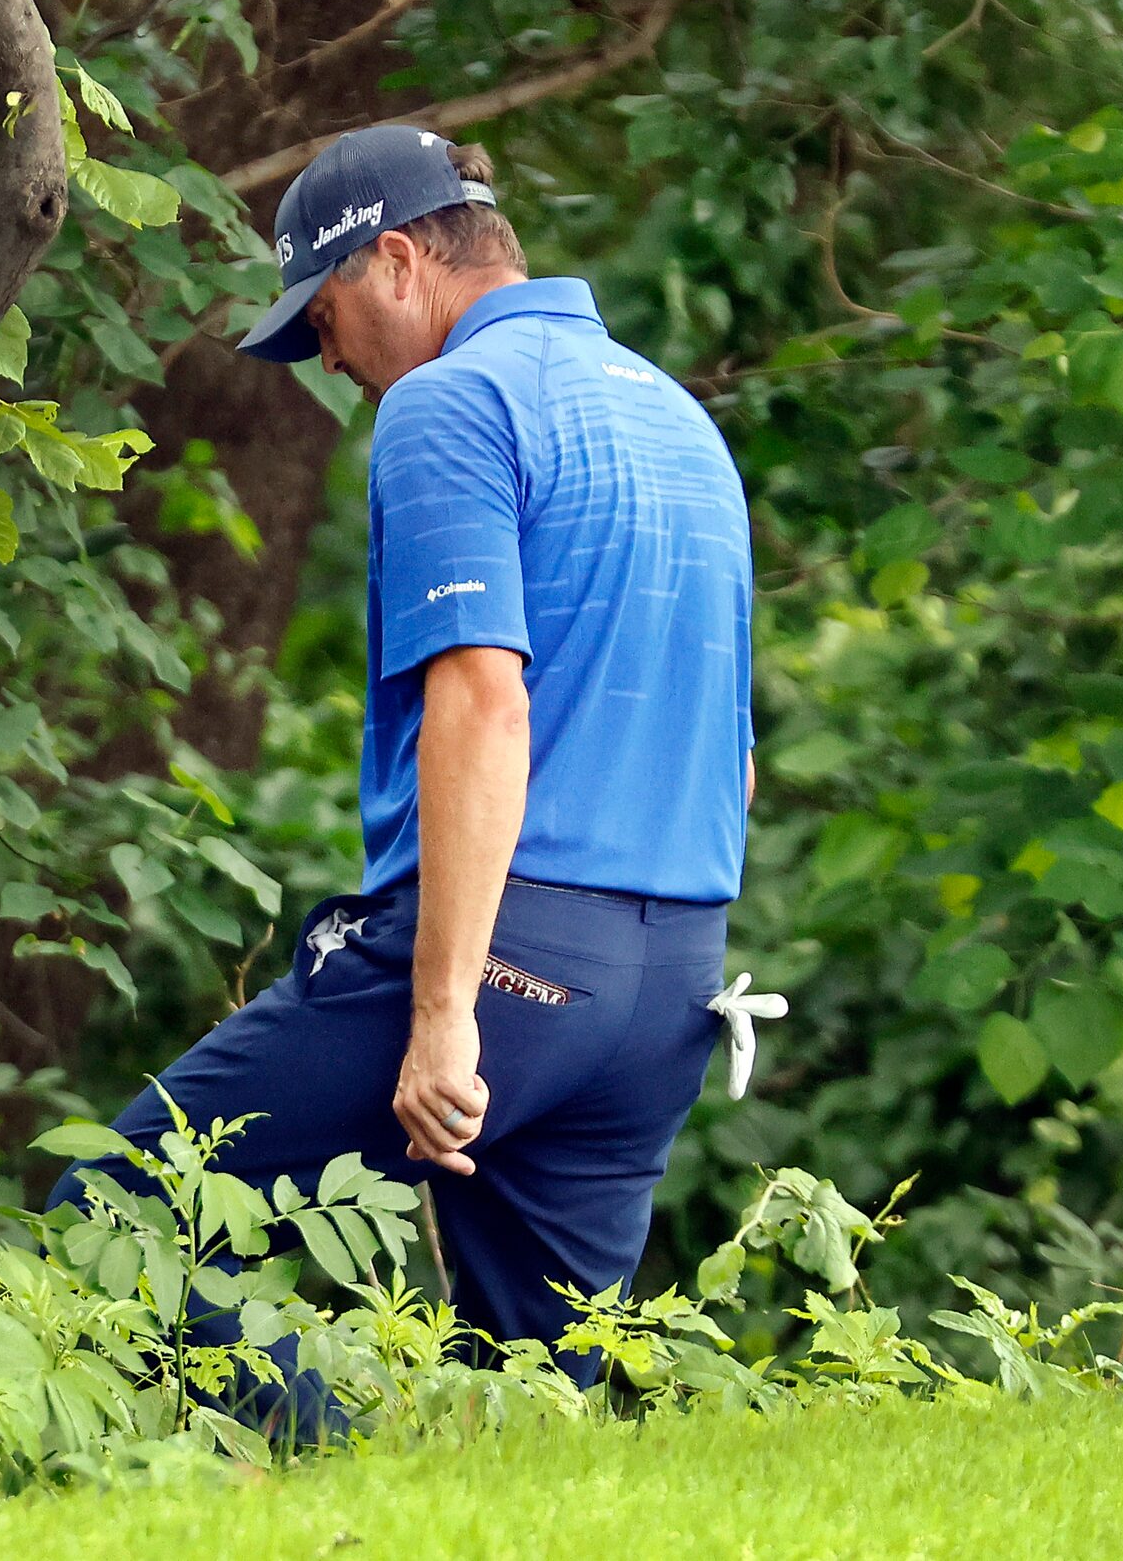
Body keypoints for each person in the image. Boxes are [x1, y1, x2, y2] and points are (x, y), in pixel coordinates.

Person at [47, 123, 763, 1417]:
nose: (325, 358)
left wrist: (445, 1011)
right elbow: (737, 759)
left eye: (319, 317)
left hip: (510, 955)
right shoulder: (679, 421)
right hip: (673, 983)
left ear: (392, 261)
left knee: (107, 1209)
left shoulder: (453, 401)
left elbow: (484, 705)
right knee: (542, 1397)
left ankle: (341, 1492)